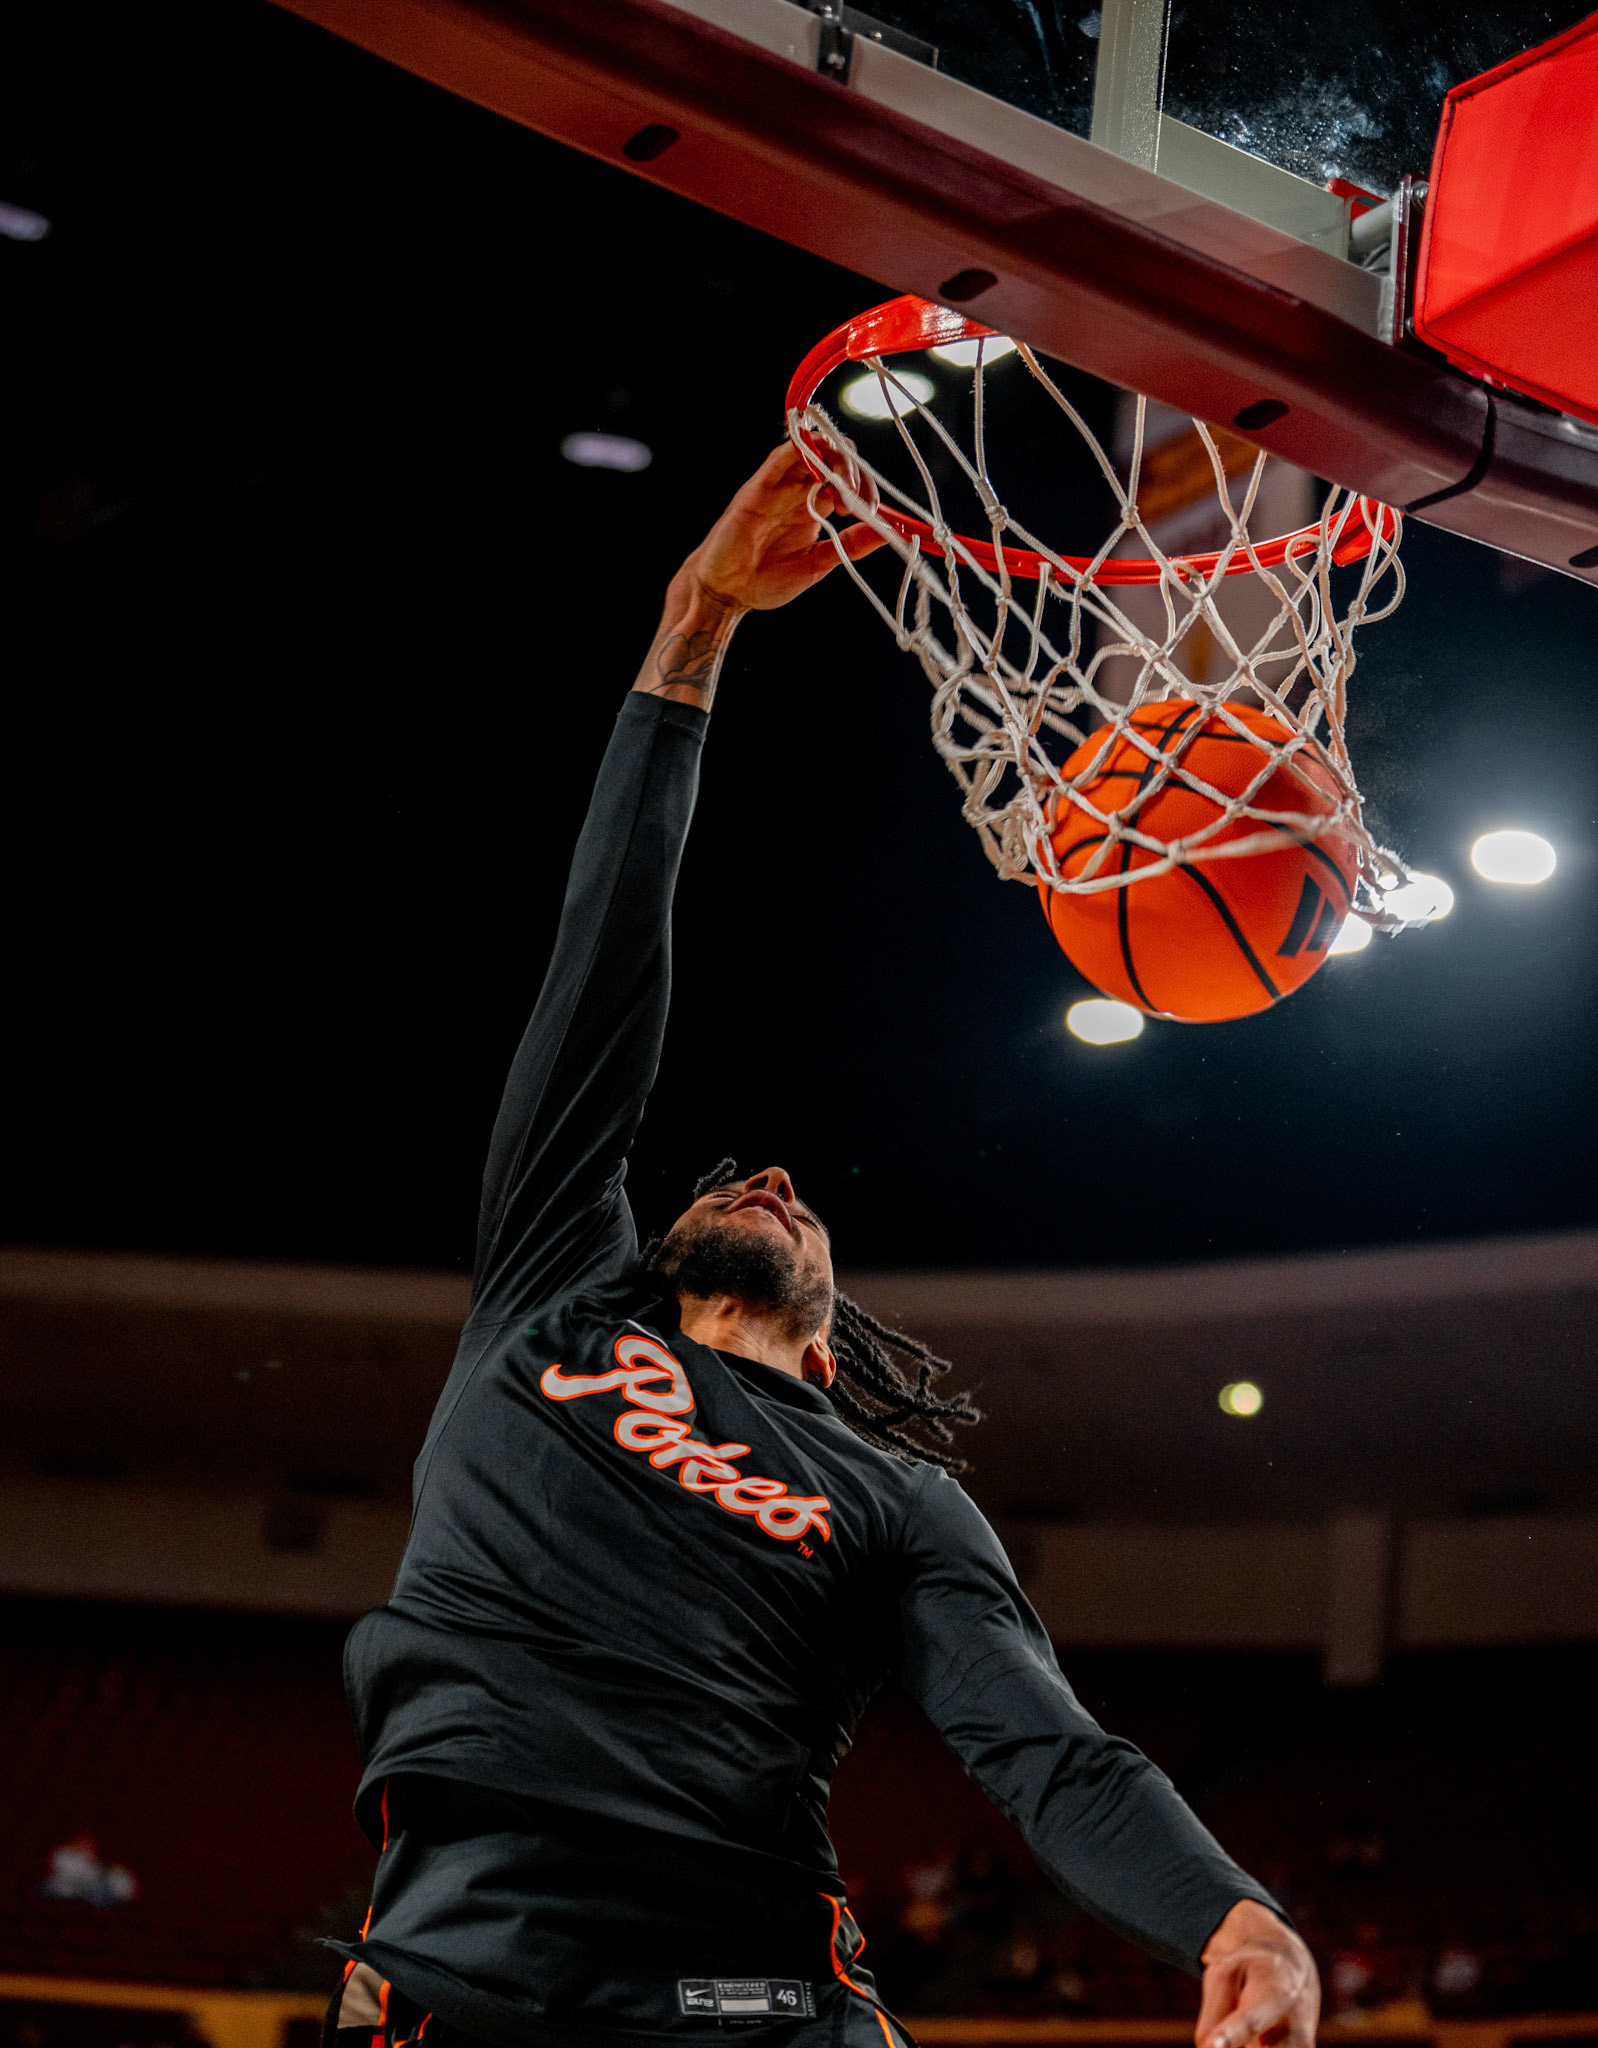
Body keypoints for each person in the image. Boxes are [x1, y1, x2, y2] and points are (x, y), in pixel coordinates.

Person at [326, 447, 1320, 2048]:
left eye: (795, 1192)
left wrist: (1235, 1911)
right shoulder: (554, 1307)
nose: (770, 1173)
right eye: (736, 1179)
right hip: (478, 1964)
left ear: (832, 1345)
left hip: (751, 1981)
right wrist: (691, 629)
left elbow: (1044, 1748)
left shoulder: (898, 1502)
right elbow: (603, 976)